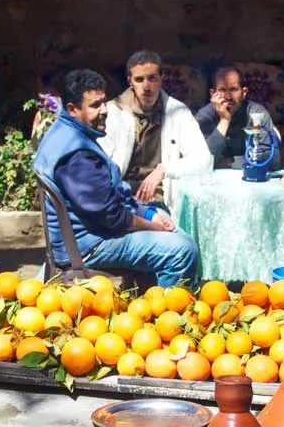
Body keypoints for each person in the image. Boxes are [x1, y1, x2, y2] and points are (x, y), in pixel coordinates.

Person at [32, 68, 199, 287]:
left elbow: (114, 197)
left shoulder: (66, 131)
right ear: (72, 109)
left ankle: (148, 296)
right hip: (87, 245)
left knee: (164, 218)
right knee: (182, 251)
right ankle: (166, 314)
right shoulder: (77, 155)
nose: (104, 110)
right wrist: (151, 226)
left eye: (103, 102)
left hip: (94, 230)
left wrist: (148, 213)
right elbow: (113, 217)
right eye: (94, 105)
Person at [102, 49, 212, 207]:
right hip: (120, 197)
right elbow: (99, 163)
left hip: (159, 197)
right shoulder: (113, 112)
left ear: (162, 77)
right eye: (139, 79)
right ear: (130, 81)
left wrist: (163, 170)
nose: (146, 87)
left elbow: (203, 159)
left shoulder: (177, 112)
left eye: (152, 78)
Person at [194, 65, 281, 170]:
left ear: (244, 93)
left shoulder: (256, 114)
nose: (228, 96)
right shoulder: (205, 116)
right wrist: (224, 120)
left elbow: (273, 161)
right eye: (222, 90)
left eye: (233, 89)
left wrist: (230, 162)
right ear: (213, 94)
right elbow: (200, 162)